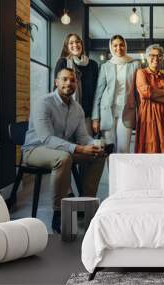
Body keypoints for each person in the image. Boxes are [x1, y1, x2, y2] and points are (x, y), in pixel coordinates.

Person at [22, 68, 106, 234]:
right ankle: (59, 212)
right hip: (35, 150)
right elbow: (46, 138)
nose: (69, 83)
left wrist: (94, 145)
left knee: (98, 156)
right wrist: (81, 148)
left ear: (76, 84)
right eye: (64, 79)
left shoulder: (78, 109)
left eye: (72, 80)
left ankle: (84, 204)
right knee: (64, 158)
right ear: (57, 82)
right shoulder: (43, 103)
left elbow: (83, 136)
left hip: (64, 150)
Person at [91, 35, 141, 153]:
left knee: (124, 150)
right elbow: (98, 93)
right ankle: (112, 172)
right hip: (107, 111)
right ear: (111, 47)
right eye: (115, 45)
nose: (119, 48)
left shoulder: (135, 64)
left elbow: (138, 92)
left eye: (121, 45)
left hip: (127, 111)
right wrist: (95, 118)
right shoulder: (105, 66)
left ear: (125, 46)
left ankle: (122, 172)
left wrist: (140, 114)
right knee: (109, 150)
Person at [135, 44, 164, 153]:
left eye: (159, 56)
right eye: (152, 55)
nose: (156, 58)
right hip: (148, 116)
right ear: (147, 57)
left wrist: (153, 96)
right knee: (150, 148)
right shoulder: (141, 73)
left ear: (162, 59)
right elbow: (145, 92)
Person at [54, 33, 98, 136]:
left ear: (81, 44)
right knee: (69, 147)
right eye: (71, 43)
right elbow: (56, 88)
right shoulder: (63, 62)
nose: (75, 45)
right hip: (66, 113)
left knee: (86, 147)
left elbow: (96, 92)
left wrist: (95, 117)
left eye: (77, 42)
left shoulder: (93, 65)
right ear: (67, 46)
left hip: (87, 114)